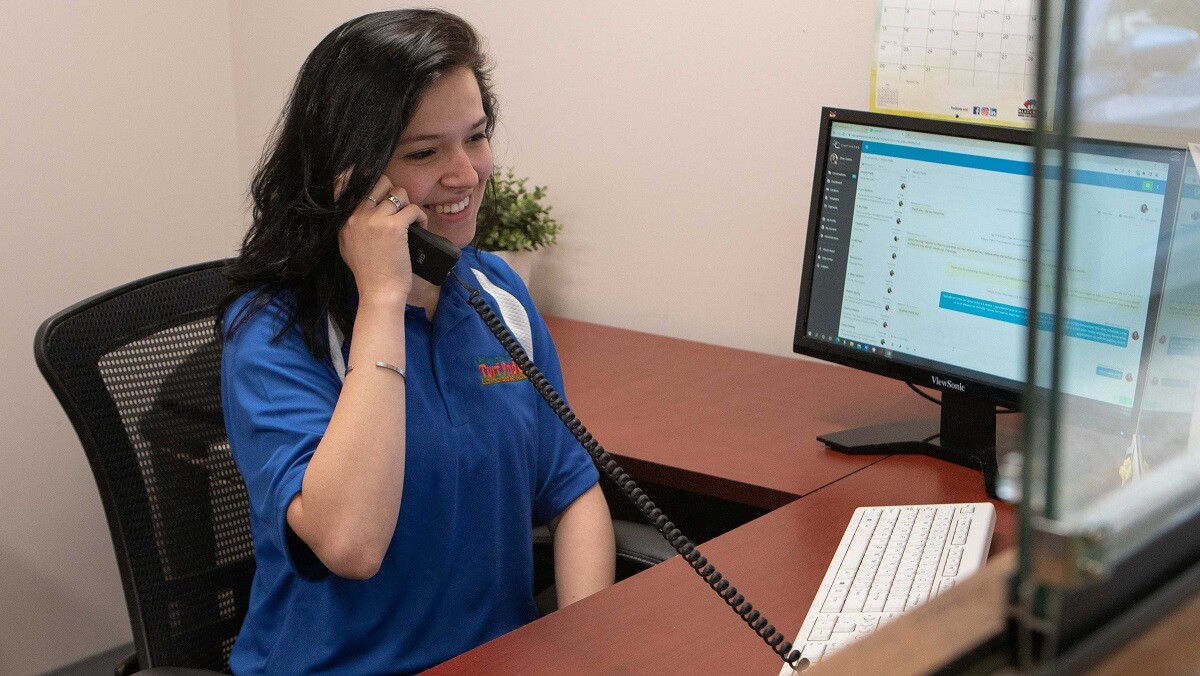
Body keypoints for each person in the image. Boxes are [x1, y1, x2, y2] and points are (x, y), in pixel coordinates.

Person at [217, 9, 615, 674]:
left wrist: (582, 648)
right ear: (349, 177)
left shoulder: (496, 298)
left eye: (477, 137)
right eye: (424, 153)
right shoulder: (276, 335)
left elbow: (573, 494)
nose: (466, 175)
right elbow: (351, 544)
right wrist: (382, 297)